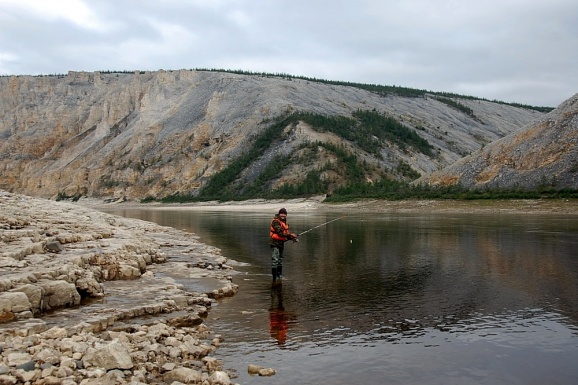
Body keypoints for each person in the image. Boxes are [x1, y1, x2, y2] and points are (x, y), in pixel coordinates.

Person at [269, 208, 298, 282]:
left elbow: (286, 233)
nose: (283, 215)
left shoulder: (285, 222)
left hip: (281, 243)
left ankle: (279, 276)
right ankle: (274, 279)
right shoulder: (275, 221)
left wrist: (292, 238)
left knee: (280, 260)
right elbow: (280, 233)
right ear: (279, 214)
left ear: (286, 215)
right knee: (275, 260)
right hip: (275, 242)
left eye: (284, 214)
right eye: (282, 213)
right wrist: (291, 235)